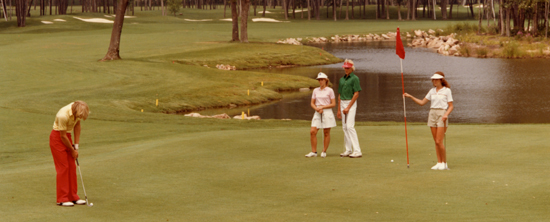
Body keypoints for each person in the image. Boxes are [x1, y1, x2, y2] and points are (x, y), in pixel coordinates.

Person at [404, 72, 454, 170]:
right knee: (436, 141)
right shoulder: (431, 91)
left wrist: (446, 115)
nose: (434, 81)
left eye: (436, 79)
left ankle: (444, 163)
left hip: (442, 114)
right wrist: (410, 96)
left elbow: (451, 106)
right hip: (432, 114)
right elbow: (422, 102)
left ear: (441, 80)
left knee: (439, 141)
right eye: (433, 80)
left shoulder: (447, 90)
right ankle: (439, 162)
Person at [49, 101, 90, 206]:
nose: (80, 117)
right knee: (63, 167)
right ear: (76, 111)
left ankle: (73, 196)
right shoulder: (62, 115)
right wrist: (72, 151)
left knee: (72, 166)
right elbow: (62, 136)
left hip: (67, 137)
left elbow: (77, 125)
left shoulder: (79, 109)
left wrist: (76, 146)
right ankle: (62, 199)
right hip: (57, 139)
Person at [306, 72, 337, 158]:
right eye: (319, 80)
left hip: (327, 112)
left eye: (322, 79)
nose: (320, 81)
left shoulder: (330, 90)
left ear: (326, 80)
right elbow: (312, 103)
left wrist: (323, 107)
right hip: (317, 111)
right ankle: (314, 152)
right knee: (313, 131)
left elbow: (333, 104)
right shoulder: (315, 90)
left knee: (326, 132)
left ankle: (324, 151)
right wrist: (316, 108)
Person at [337, 59, 362, 158]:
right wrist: (339, 110)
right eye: (345, 68)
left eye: (348, 68)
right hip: (342, 102)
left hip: (351, 102)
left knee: (350, 126)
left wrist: (348, 107)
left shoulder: (355, 78)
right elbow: (339, 95)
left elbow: (356, 94)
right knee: (344, 127)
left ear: (352, 68)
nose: (346, 70)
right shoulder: (341, 79)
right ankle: (348, 149)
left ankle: (357, 150)